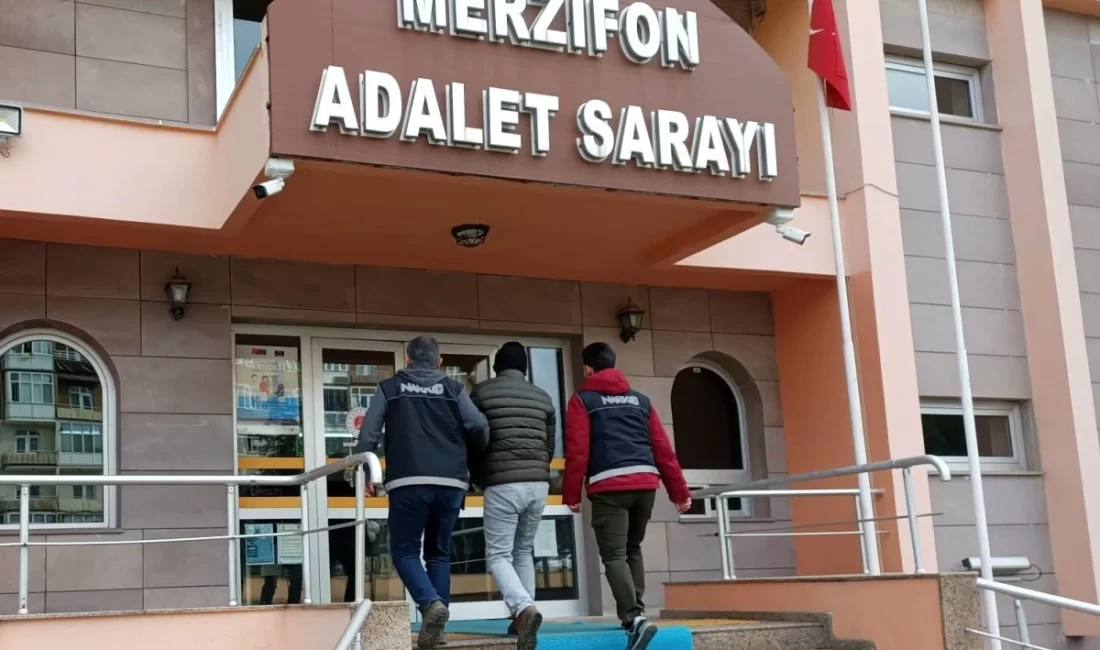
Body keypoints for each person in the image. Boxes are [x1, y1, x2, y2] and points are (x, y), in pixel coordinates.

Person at [354, 336, 489, 650]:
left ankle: (430, 605)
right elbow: (478, 426)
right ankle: (437, 631)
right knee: (438, 555)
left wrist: (364, 471)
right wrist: (472, 460)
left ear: (407, 358)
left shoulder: (389, 388)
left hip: (408, 481)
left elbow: (369, 433)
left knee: (403, 552)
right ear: (439, 362)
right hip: (452, 483)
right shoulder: (455, 390)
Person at [563, 342, 692, 650]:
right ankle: (638, 616)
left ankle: (634, 620)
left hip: (610, 486)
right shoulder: (641, 401)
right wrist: (680, 492)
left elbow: (578, 452)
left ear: (588, 369)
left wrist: (571, 493)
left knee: (614, 555)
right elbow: (663, 449)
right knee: (632, 548)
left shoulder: (583, 400)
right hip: (646, 483)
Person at [470, 342, 556, 650]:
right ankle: (521, 619)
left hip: (503, 483)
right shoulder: (544, 397)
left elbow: (474, 437)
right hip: (538, 483)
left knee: (498, 555)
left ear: (496, 366)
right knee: (522, 551)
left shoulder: (482, 393)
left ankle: (523, 609)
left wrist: (477, 476)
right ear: (525, 368)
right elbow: (548, 446)